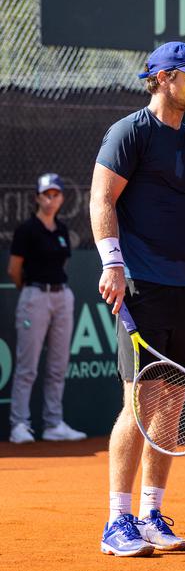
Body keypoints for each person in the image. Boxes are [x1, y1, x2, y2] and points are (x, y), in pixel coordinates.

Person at [90, 41, 185, 556]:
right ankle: (117, 521)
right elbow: (102, 197)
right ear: (164, 78)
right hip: (141, 285)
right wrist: (112, 262)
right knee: (140, 400)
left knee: (172, 404)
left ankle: (151, 514)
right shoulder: (130, 131)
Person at [7, 173, 85, 444]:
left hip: (62, 297)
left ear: (62, 198)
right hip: (34, 297)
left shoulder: (62, 231)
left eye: (56, 194)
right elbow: (14, 270)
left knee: (57, 365)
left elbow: (61, 265)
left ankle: (53, 424)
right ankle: (19, 425)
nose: (51, 199)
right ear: (38, 197)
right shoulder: (26, 230)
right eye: (46, 194)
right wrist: (32, 292)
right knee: (27, 367)